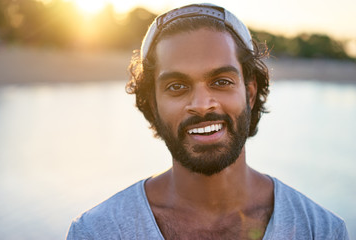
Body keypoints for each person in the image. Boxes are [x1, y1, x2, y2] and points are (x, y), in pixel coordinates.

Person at [66, 3, 349, 239]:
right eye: (177, 86)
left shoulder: (321, 230)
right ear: (153, 103)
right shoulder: (98, 232)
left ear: (249, 93)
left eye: (221, 81)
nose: (202, 105)